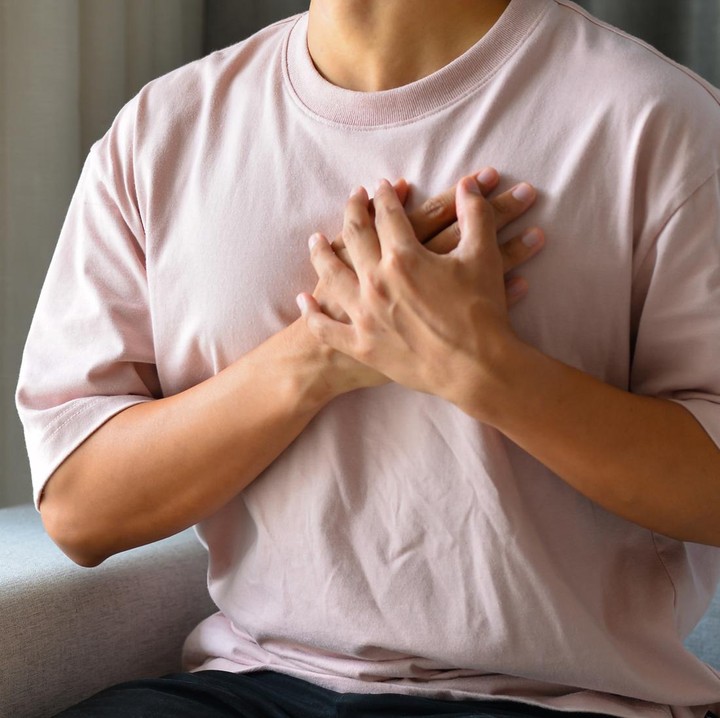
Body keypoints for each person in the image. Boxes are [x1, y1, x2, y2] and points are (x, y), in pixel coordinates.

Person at [16, 0, 720, 716]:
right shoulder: (160, 133)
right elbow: (79, 509)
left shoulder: (658, 121)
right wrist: (322, 349)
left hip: (562, 703)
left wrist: (482, 368)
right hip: (252, 687)